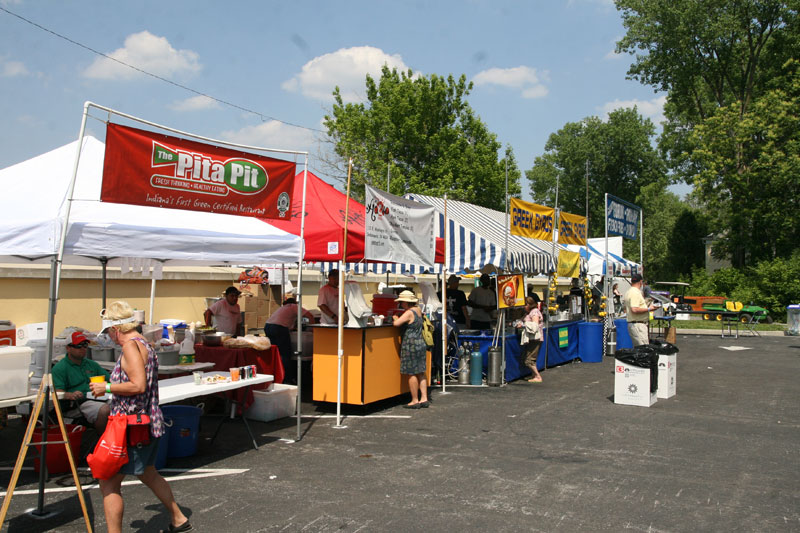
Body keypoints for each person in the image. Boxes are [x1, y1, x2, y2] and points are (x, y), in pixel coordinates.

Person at [89, 301, 192, 533]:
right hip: (146, 422)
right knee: (148, 472)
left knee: (108, 482)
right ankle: (178, 518)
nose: (110, 338)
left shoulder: (129, 346)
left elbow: (137, 385)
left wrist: (106, 388)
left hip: (130, 425)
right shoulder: (146, 343)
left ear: (116, 329)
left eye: (108, 332)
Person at [52, 331, 111, 432]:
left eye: (85, 345)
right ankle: (102, 440)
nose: (83, 349)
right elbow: (56, 393)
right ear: (68, 348)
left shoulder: (92, 364)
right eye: (78, 346)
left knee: (121, 403)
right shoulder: (60, 368)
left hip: (97, 397)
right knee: (104, 410)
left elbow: (111, 380)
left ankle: (119, 438)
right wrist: (70, 395)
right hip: (76, 404)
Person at [263, 292, 314, 385]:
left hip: (268, 326)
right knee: (285, 354)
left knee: (275, 353)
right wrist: (311, 329)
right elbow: (310, 316)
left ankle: (275, 376)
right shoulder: (294, 307)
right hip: (279, 328)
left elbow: (289, 325)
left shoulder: (281, 309)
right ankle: (287, 378)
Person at [392, 290, 429, 409]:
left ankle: (414, 400)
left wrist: (394, 317)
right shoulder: (418, 309)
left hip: (410, 344)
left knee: (411, 372)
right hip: (420, 342)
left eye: (402, 302)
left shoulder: (408, 312)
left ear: (406, 302)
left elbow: (396, 324)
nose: (401, 304)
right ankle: (424, 398)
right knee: (421, 372)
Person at [623, 273, 656, 347]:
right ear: (641, 282)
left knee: (639, 349)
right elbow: (634, 309)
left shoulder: (629, 292)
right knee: (644, 349)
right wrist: (649, 309)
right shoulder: (635, 293)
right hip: (638, 325)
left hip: (634, 324)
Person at [520, 297, 544, 383]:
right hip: (532, 339)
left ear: (529, 304)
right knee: (530, 358)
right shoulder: (528, 312)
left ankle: (537, 376)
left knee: (529, 360)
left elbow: (535, 325)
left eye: (525, 305)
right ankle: (534, 375)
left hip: (535, 339)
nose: (523, 307)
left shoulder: (534, 312)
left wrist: (523, 324)